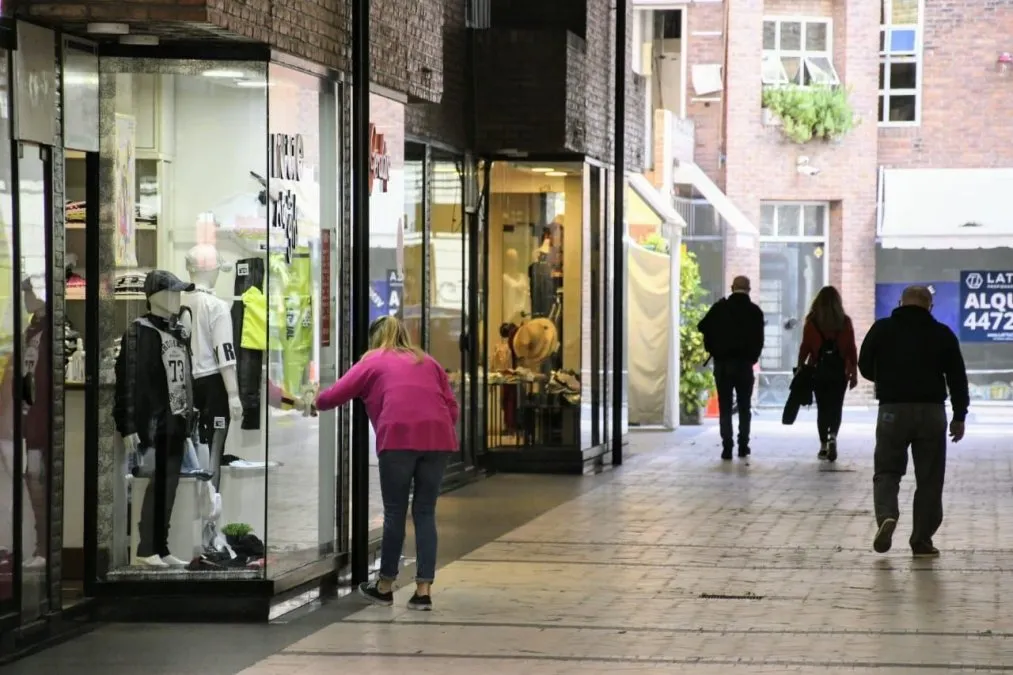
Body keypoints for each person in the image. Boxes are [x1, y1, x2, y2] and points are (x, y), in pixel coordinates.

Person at [315, 316, 458, 610]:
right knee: (425, 512)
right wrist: (434, 429)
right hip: (438, 439)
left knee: (395, 513)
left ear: (375, 339)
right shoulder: (427, 361)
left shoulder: (373, 360)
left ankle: (384, 586)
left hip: (398, 439)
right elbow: (451, 406)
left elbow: (334, 395)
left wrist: (311, 401)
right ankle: (423, 591)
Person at [858, 285, 968, 558]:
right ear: (929, 306)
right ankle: (922, 540)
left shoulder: (882, 329)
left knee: (887, 470)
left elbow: (864, 364)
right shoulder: (942, 333)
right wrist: (959, 415)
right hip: (932, 412)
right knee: (930, 478)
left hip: (892, 409)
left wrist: (886, 380)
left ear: (900, 303)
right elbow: (957, 377)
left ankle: (887, 515)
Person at [698, 275, 765, 460]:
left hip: (723, 364)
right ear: (749, 289)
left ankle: (727, 446)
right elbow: (759, 341)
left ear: (732, 287)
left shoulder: (720, 308)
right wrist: (752, 358)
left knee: (725, 406)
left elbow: (702, 326)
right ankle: (743, 445)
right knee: (745, 406)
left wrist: (713, 347)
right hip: (744, 365)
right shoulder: (755, 312)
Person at [797, 286, 858, 462]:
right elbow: (851, 348)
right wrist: (853, 371)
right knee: (836, 406)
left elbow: (805, 347)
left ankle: (823, 446)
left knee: (822, 409)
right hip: (839, 372)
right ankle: (833, 436)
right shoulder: (845, 322)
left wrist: (801, 365)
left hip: (818, 371)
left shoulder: (812, 321)